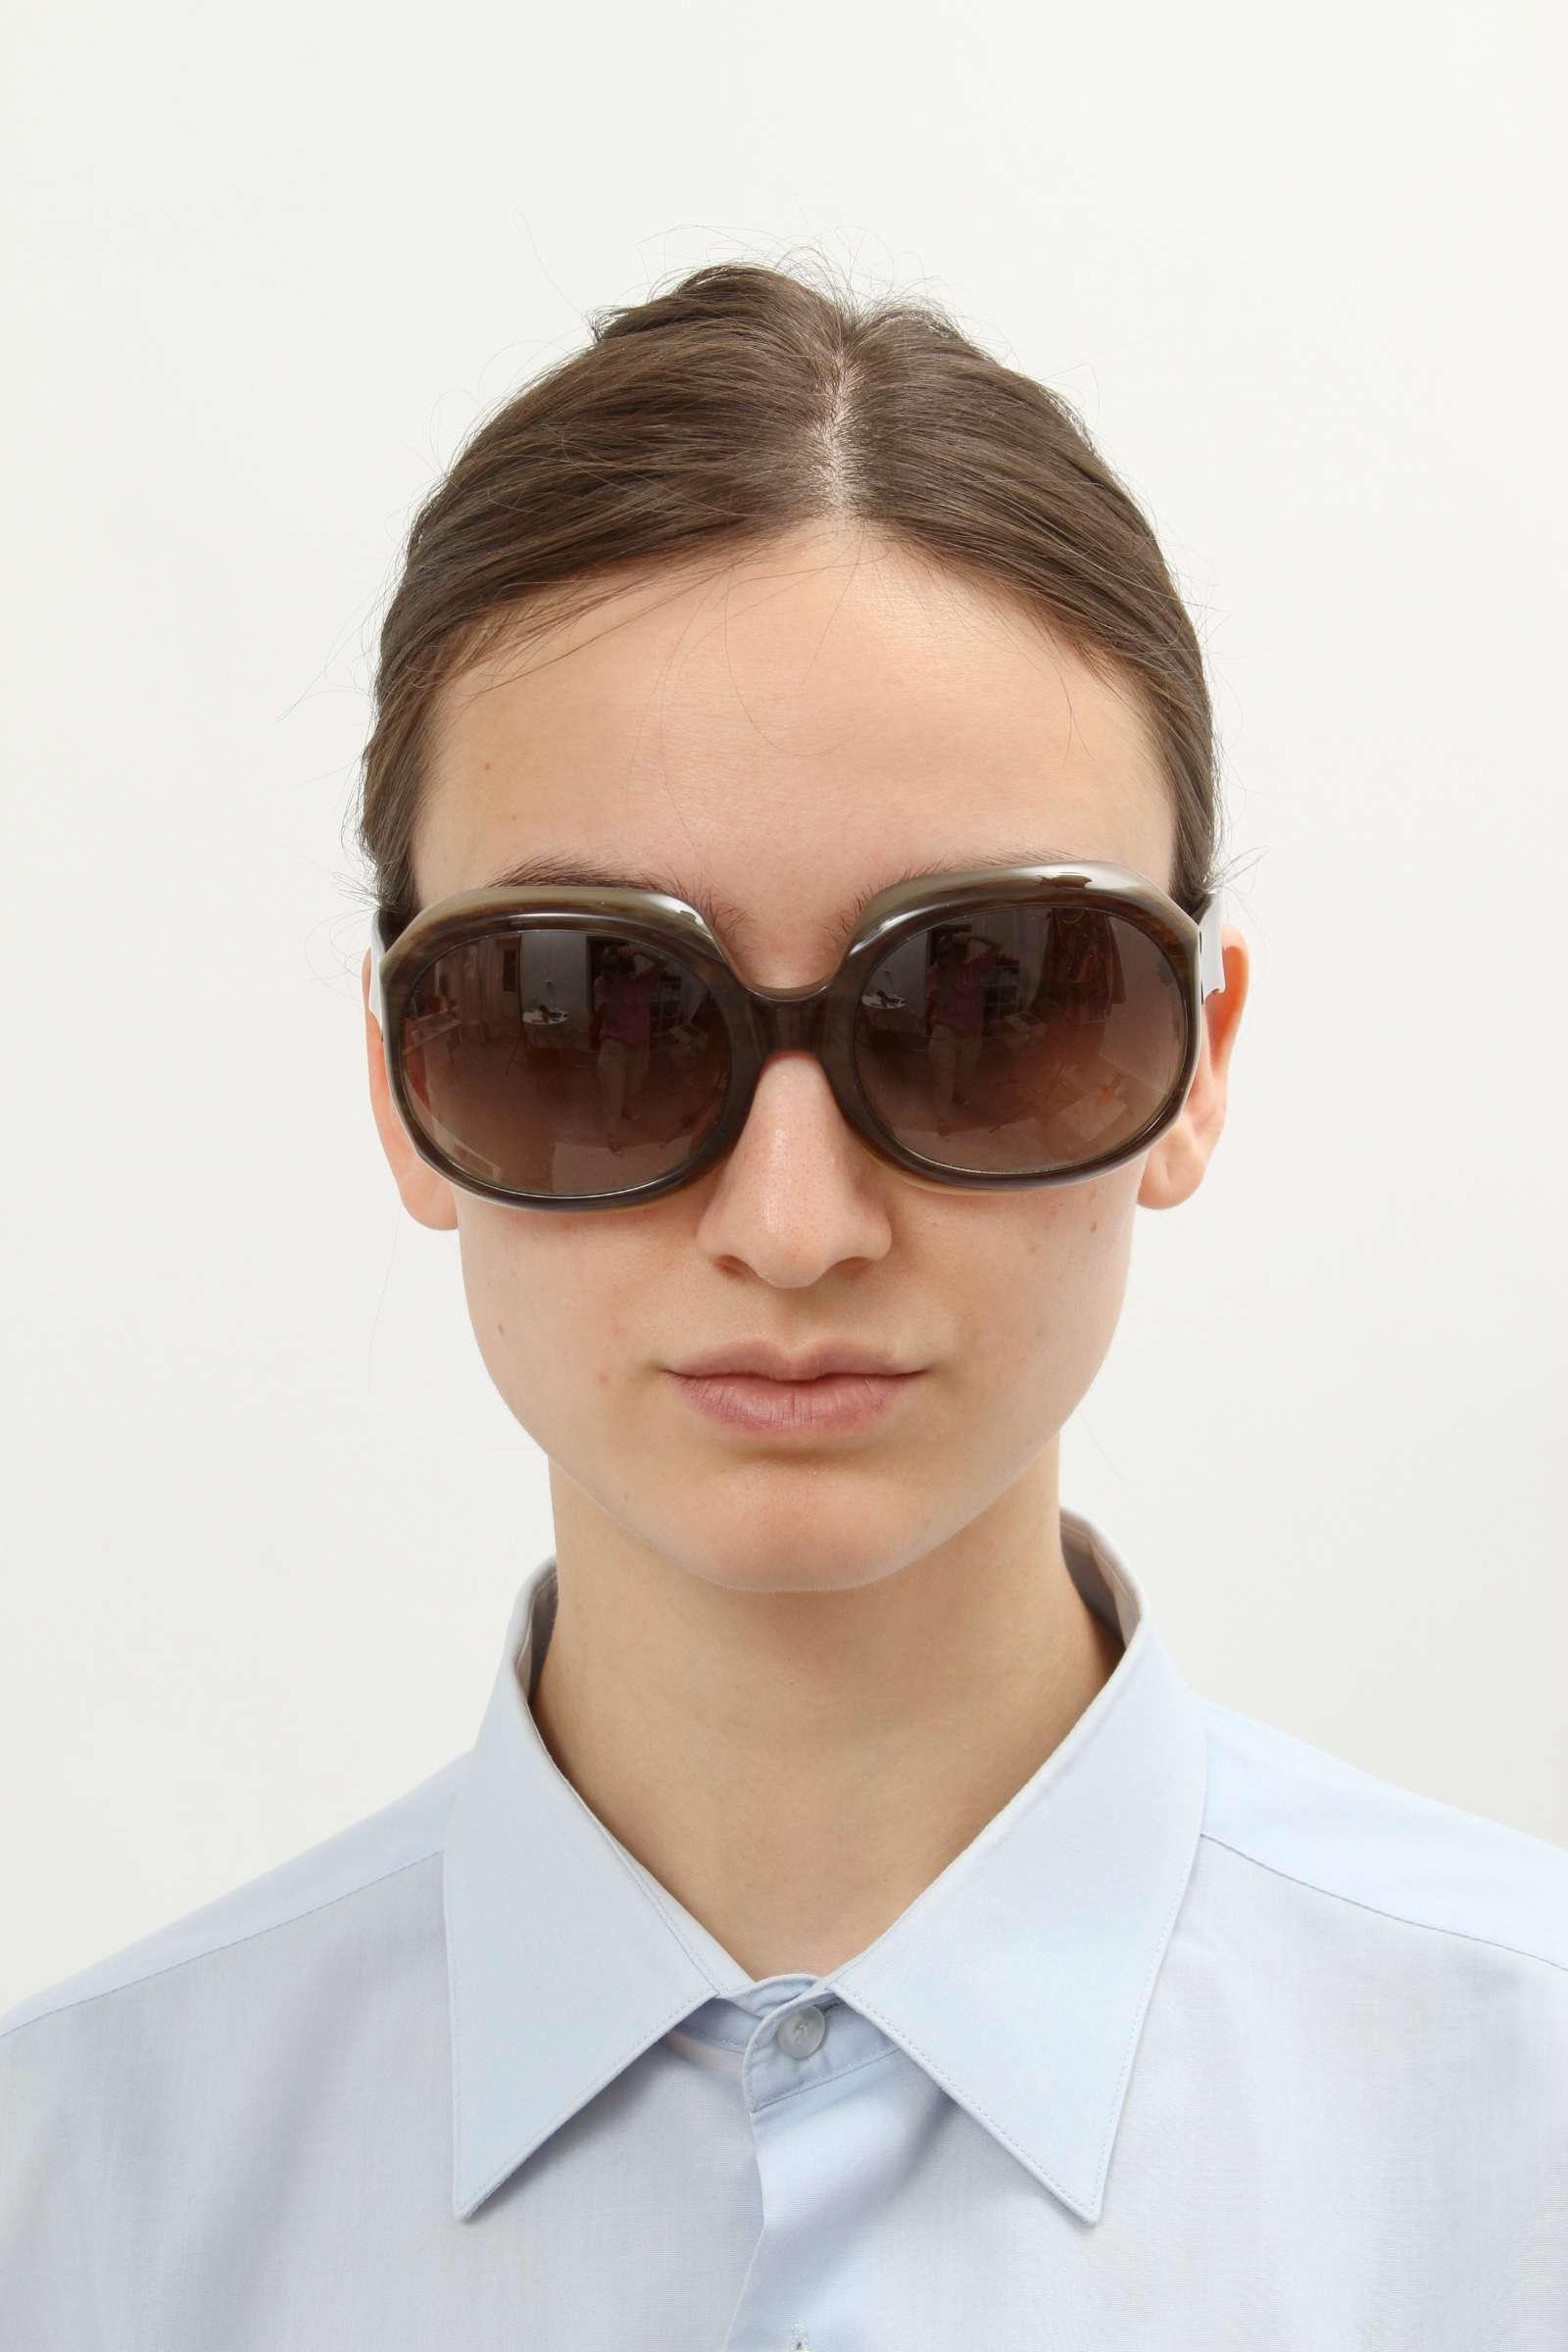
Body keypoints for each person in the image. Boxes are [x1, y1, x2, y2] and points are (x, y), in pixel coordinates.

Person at [3, 258, 1563, 2348]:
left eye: (994, 1003)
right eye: (584, 1015)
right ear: (400, 1080)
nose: (795, 1222)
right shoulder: (61, 2210)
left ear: (1195, 1060)